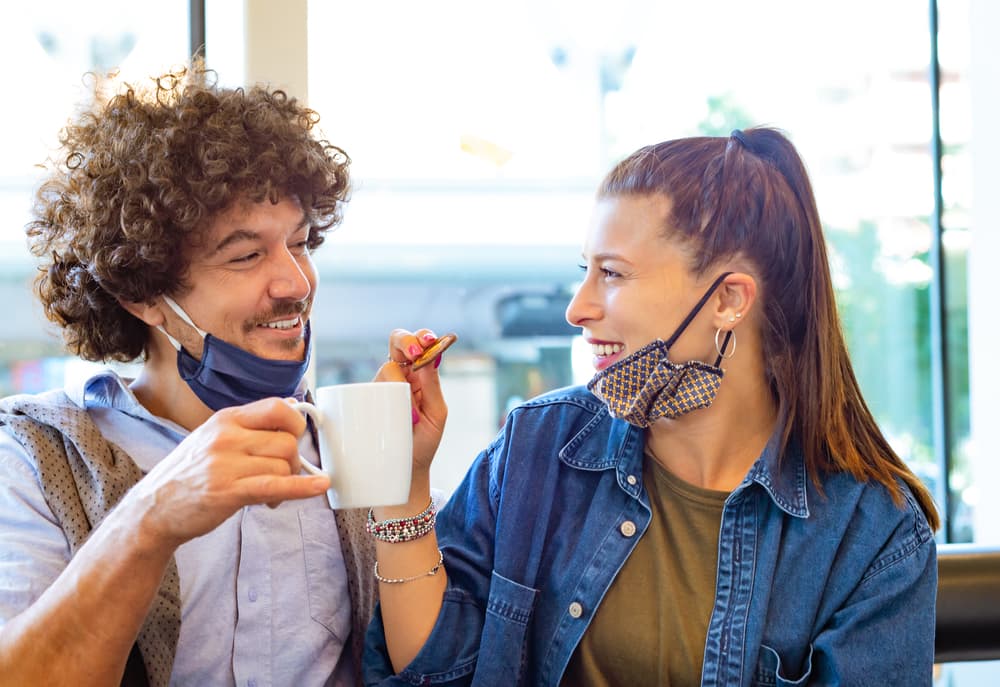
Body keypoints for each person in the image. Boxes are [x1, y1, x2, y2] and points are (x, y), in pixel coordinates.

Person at [365, 128, 940, 686]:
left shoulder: (873, 535)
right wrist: (403, 483)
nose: (578, 308)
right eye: (584, 270)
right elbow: (433, 673)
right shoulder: (538, 445)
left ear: (728, 300)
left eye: (612, 273)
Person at [0, 63, 449, 686]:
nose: (296, 282)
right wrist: (151, 517)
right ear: (145, 295)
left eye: (300, 243)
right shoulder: (36, 457)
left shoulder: (340, 445)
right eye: (246, 256)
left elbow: (432, 673)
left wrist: (403, 478)